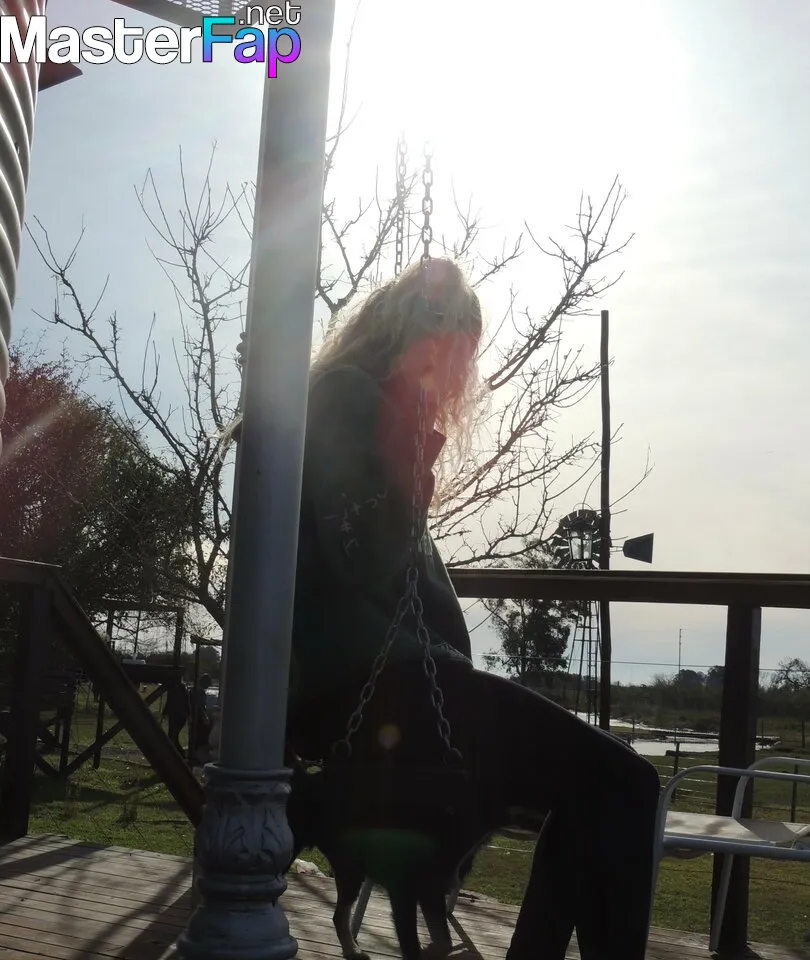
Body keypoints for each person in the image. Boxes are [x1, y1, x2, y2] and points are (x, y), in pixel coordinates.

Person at [262, 258, 659, 960]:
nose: (454, 371)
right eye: (448, 348)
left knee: (600, 785)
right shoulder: (350, 397)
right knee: (622, 780)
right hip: (375, 690)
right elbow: (364, 554)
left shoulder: (359, 404)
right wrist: (411, 435)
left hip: (394, 686)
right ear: (408, 333)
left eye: (462, 355)